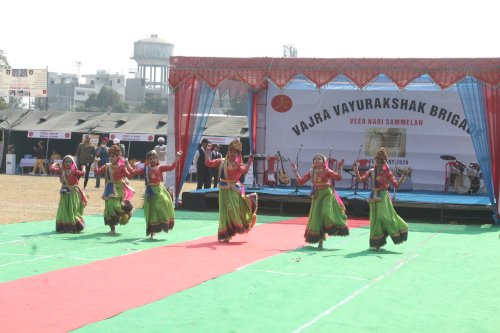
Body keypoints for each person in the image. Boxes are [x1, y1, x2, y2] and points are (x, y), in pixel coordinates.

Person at [353, 147, 410, 250]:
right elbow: (360, 180)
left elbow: (396, 185)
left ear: (385, 162)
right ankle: (377, 242)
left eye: (381, 161)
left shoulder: (387, 173)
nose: (379, 163)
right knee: (375, 219)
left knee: (384, 217)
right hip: (373, 196)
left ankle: (399, 229)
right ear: (375, 161)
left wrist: (403, 176)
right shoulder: (371, 171)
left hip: (383, 196)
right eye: (378, 161)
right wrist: (356, 170)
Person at [290, 153, 349, 249]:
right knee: (317, 218)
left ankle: (334, 228)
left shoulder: (327, 170)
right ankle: (320, 241)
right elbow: (300, 182)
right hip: (317, 196)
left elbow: (338, 178)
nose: (316, 160)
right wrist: (295, 171)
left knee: (326, 212)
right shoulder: (311, 171)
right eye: (315, 159)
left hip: (327, 194)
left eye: (319, 159)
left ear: (323, 161)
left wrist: (339, 167)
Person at [204, 139, 258, 242]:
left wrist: (250, 161)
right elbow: (208, 163)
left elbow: (245, 171)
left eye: (235, 152)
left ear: (238, 154)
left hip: (235, 189)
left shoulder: (238, 165)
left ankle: (239, 226)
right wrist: (207, 153)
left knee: (232, 210)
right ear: (228, 151)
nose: (232, 154)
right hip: (223, 189)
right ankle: (226, 234)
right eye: (231, 151)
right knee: (224, 212)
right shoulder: (221, 161)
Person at [127, 149, 183, 239]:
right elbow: (133, 172)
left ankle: (165, 222)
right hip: (150, 193)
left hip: (159, 191)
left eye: (154, 158)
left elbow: (171, 167)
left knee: (163, 205)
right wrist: (127, 164)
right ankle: (152, 232)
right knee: (151, 212)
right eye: (150, 159)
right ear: (147, 160)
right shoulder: (145, 169)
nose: (152, 160)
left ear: (156, 159)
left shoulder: (160, 168)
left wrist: (177, 157)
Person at [93, 144, 135, 234]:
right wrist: (96, 162)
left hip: (119, 188)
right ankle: (112, 230)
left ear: (117, 156)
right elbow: (96, 172)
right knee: (108, 209)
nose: (111, 158)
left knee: (113, 205)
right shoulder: (107, 166)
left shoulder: (122, 167)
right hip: (109, 188)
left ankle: (128, 211)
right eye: (110, 156)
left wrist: (128, 165)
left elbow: (130, 175)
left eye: (113, 156)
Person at [49, 155, 87, 233]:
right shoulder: (61, 170)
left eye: (69, 162)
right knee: (64, 209)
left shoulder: (75, 171)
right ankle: (64, 227)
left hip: (73, 192)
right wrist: (55, 163)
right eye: (66, 162)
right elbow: (51, 168)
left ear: (72, 163)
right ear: (63, 163)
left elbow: (83, 173)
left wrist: (83, 167)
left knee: (72, 209)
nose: (68, 163)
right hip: (65, 193)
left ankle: (75, 226)